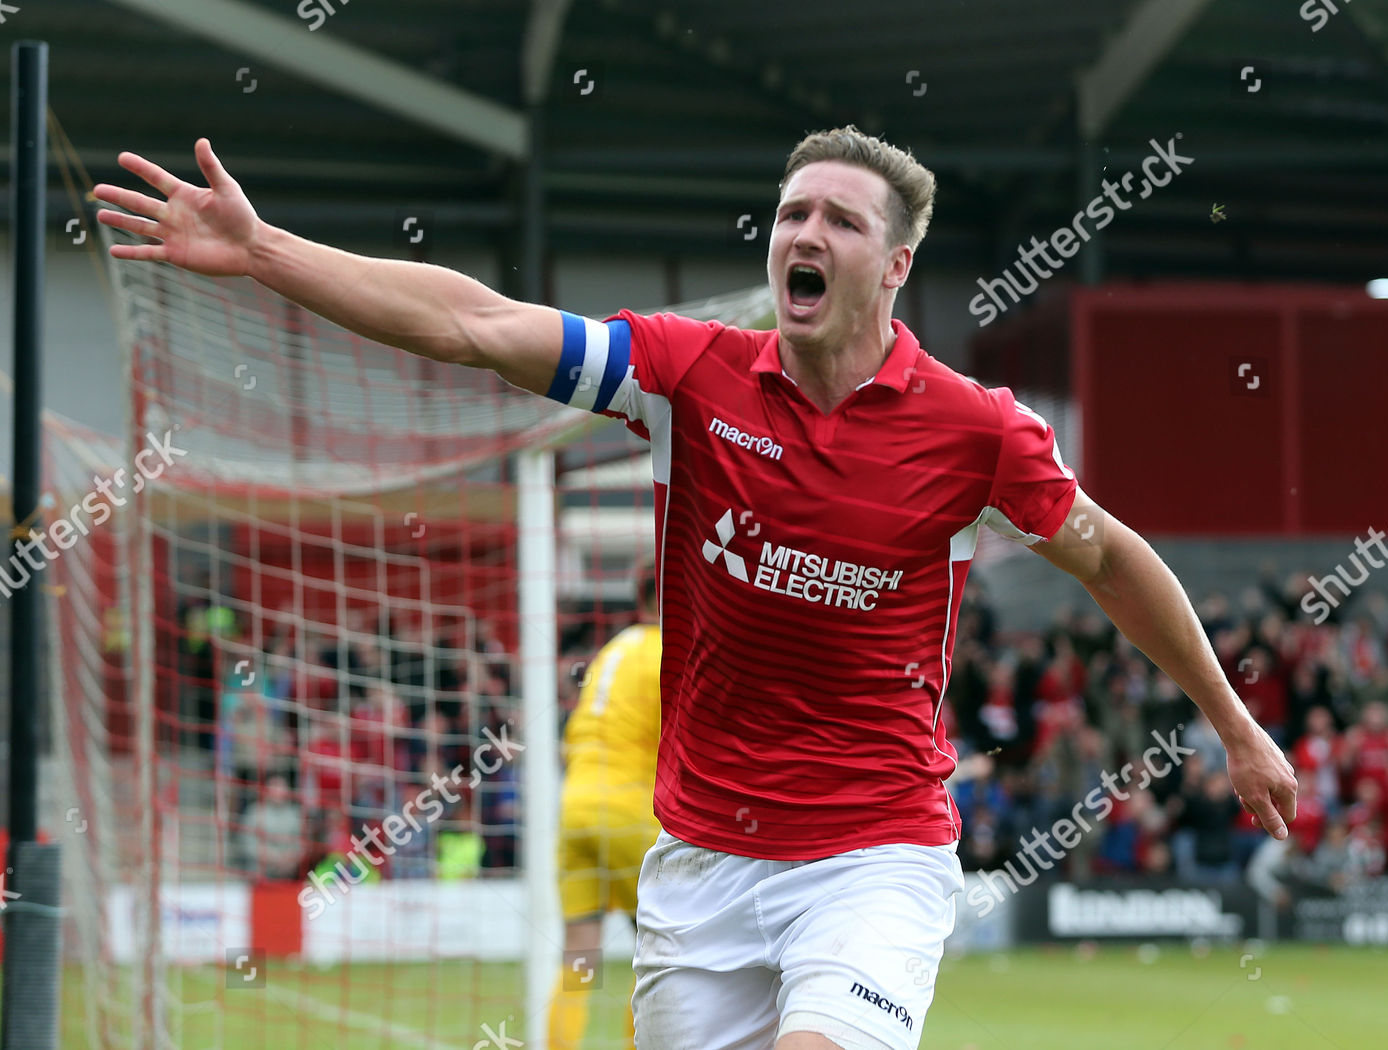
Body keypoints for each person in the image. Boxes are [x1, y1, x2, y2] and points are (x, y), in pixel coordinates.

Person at [95, 126, 1296, 1050]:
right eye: (790, 213)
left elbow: (1114, 560)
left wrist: (1234, 725)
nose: (801, 234)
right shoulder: (687, 377)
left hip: (875, 852)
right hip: (703, 859)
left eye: (837, 219)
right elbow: (474, 323)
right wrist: (264, 252)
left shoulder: (976, 432)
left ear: (897, 264)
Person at [550, 563, 662, 1050]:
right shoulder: (666, 653)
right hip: (628, 811)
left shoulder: (611, 651)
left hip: (575, 804)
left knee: (578, 959)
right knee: (658, 957)